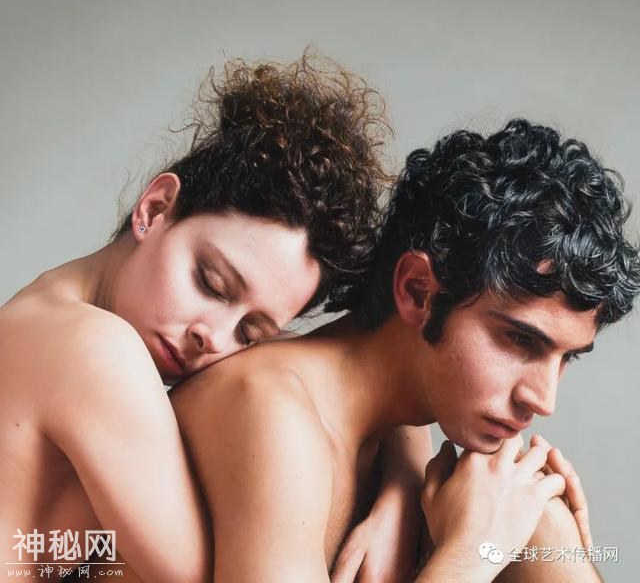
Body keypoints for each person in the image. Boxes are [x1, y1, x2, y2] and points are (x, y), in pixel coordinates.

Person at [1, 54, 429, 583]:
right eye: (211, 283)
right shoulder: (94, 349)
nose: (213, 337)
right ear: (155, 208)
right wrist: (465, 550)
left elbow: (358, 368)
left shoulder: (45, 310)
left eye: (250, 332)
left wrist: (402, 484)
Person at [169, 119, 640, 582]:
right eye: (520, 340)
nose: (542, 400)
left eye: (567, 357)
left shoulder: (394, 430)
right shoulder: (269, 409)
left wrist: (549, 530)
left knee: (535, 511)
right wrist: (470, 554)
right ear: (418, 291)